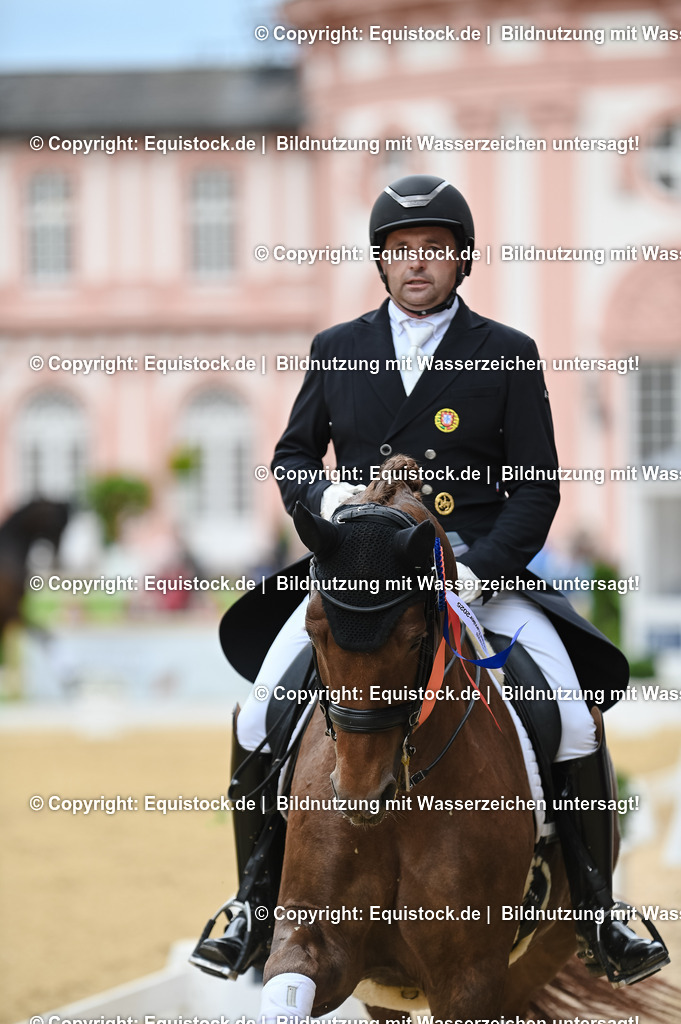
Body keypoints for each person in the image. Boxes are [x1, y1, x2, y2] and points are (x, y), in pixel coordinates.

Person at [192, 175, 669, 986]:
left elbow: (535, 488)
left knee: (571, 719)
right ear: (381, 261)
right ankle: (251, 904)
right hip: (358, 577)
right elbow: (293, 457)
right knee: (259, 713)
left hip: (476, 573)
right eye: (402, 249)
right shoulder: (336, 348)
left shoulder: (506, 352)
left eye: (434, 249)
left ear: (461, 260)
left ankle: (597, 909)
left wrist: (480, 570)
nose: (417, 262)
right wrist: (332, 501)